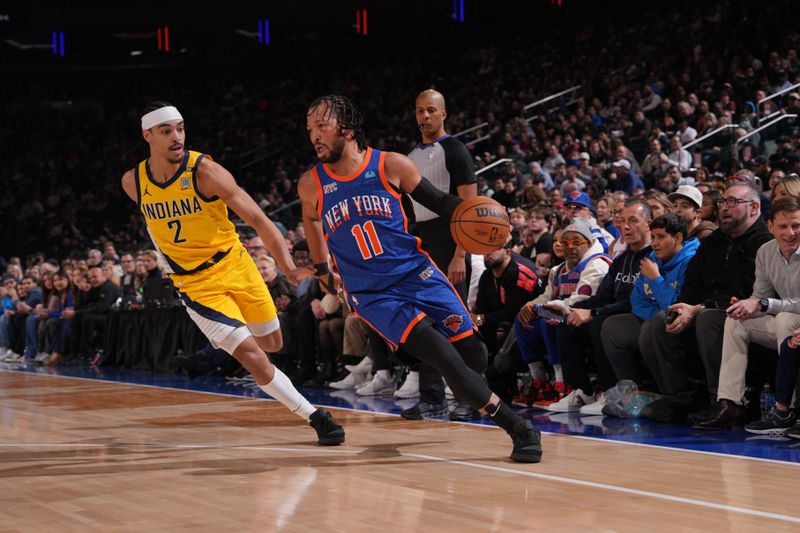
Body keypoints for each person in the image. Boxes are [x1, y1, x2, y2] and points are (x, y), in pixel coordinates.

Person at [298, 95, 541, 463]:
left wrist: (488, 219)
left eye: (321, 126)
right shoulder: (311, 184)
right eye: (310, 129)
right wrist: (320, 269)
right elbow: (312, 222)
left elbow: (444, 204)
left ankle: (452, 377)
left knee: (475, 356)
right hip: (373, 294)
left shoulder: (391, 165)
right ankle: (518, 428)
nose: (314, 135)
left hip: (417, 274)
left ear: (345, 129)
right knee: (445, 358)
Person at [120, 101, 344, 446]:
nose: (177, 137)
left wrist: (285, 265)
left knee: (273, 343)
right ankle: (316, 417)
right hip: (195, 283)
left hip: (236, 263)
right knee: (253, 356)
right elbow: (154, 227)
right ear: (147, 135)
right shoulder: (133, 182)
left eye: (180, 128)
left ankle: (225, 347)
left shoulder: (206, 172)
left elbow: (258, 219)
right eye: (166, 131)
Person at [646, 183, 772, 422]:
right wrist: (683, 307)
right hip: (703, 309)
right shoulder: (715, 240)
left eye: (733, 202)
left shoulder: (763, 243)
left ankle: (724, 401)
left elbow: (747, 294)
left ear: (754, 208)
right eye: (723, 202)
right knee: (662, 321)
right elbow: (692, 282)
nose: (724, 207)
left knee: (708, 319)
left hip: (746, 314)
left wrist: (697, 309)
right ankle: (682, 397)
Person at [396, 89, 478, 421]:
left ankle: (471, 397)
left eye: (431, 110)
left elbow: (469, 207)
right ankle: (432, 398)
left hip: (452, 235)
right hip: (422, 240)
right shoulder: (410, 157)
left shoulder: (455, 150)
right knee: (425, 322)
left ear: (444, 114)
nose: (425, 117)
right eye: (419, 111)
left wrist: (460, 254)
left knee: (455, 320)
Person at [694, 196, 800, 429]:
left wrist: (762, 304)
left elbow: (769, 302)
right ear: (770, 226)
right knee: (736, 321)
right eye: (783, 226)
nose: (790, 232)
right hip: (784, 322)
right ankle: (730, 403)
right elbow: (759, 294)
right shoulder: (765, 251)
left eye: (796, 225)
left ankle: (789, 409)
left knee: (785, 319)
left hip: (792, 322)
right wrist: (745, 305)